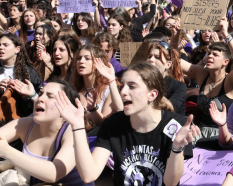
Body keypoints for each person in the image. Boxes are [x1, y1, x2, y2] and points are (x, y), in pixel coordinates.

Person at [55, 62, 200, 185]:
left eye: (132, 86)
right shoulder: (112, 124)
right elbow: (89, 175)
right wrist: (77, 125)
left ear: (152, 94)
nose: (123, 91)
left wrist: (177, 148)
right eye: (122, 85)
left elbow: (170, 182)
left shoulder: (176, 125)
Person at [0, 79, 93, 185]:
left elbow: (54, 173)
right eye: (40, 94)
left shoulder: (73, 133)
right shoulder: (25, 124)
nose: (40, 98)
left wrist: (7, 152)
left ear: (66, 107)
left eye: (50, 96)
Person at [175, 17, 233, 137]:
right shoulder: (201, 74)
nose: (210, 57)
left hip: (225, 135)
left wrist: (225, 34)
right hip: (200, 134)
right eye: (209, 53)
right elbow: (176, 61)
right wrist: (176, 35)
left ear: (225, 62)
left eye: (215, 54)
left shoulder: (230, 80)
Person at [71, 44, 122, 127]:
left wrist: (93, 109)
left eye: (87, 58)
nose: (81, 61)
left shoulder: (108, 89)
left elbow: (105, 123)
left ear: (97, 62)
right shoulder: (73, 88)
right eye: (79, 58)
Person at [0, 34, 42, 122]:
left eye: (5, 45)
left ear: (17, 49)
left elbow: (39, 102)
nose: (1, 47)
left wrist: (26, 97)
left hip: (22, 122)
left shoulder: (29, 72)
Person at [147, 42, 187, 115]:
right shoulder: (143, 83)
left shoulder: (179, 86)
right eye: (149, 56)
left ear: (168, 64)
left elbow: (170, 108)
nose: (151, 60)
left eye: (157, 57)